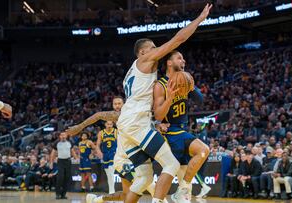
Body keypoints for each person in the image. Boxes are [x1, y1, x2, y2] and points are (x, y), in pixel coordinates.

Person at [117, 4, 212, 203]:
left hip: (128, 124)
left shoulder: (132, 73)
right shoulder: (145, 60)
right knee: (170, 164)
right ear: (142, 53)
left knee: (143, 177)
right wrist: (199, 19)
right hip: (136, 123)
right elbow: (178, 39)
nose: (156, 51)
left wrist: (155, 122)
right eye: (152, 48)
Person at [65, 97, 168, 203]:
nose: (117, 106)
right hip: (124, 161)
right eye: (115, 104)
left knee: (126, 195)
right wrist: (80, 126)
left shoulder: (135, 116)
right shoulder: (118, 116)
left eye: (119, 103)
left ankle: (97, 199)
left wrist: (159, 125)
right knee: (151, 185)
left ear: (124, 104)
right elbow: (98, 115)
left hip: (133, 159)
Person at [153, 50, 210, 203]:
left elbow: (200, 101)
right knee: (203, 150)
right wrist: (170, 98)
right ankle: (169, 194)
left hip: (182, 130)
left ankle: (180, 193)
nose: (183, 61)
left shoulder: (185, 81)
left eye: (184, 58)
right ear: (169, 62)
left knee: (183, 174)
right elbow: (158, 115)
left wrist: (191, 87)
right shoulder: (161, 85)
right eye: (179, 58)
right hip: (170, 132)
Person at [50, 132, 76, 199]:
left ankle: (63, 194)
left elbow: (72, 151)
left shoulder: (70, 142)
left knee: (67, 178)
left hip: (68, 161)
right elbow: (53, 153)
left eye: (64, 135)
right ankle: (58, 194)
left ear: (66, 136)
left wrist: (76, 157)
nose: (63, 136)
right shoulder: (56, 143)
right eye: (61, 135)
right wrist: (51, 162)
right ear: (59, 136)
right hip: (60, 161)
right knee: (60, 178)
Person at [95, 120, 118, 194]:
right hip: (105, 154)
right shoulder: (101, 133)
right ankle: (111, 190)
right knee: (108, 174)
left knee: (111, 170)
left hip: (113, 153)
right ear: (105, 124)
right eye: (108, 124)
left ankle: (112, 191)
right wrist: (98, 151)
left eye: (111, 124)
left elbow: (120, 142)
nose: (109, 125)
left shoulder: (115, 131)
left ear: (112, 125)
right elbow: (98, 144)